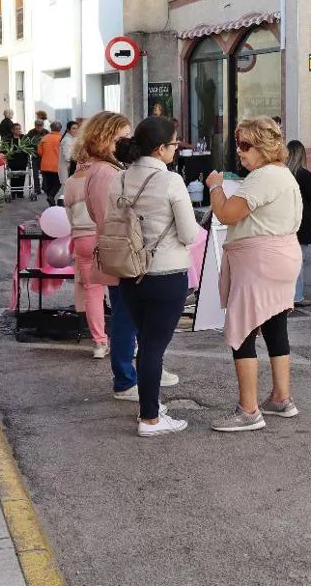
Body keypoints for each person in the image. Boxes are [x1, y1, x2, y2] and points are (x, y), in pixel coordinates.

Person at [206, 118, 303, 433]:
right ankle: (280, 397)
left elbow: (226, 214)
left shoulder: (262, 177)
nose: (240, 152)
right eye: (239, 145)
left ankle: (248, 410)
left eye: (245, 145)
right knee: (275, 324)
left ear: (263, 147)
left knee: (243, 328)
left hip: (258, 261)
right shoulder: (284, 175)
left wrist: (216, 186)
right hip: (282, 256)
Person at [78, 112, 180, 405]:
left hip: (123, 254)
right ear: (105, 137)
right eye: (122, 136)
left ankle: (143, 371)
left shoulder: (108, 170)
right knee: (126, 319)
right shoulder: (106, 173)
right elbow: (114, 219)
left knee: (133, 318)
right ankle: (126, 378)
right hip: (123, 255)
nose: (128, 141)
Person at [110, 117, 202, 437]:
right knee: (153, 347)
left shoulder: (119, 178)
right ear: (161, 148)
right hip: (166, 273)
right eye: (175, 144)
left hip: (129, 272)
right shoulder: (171, 181)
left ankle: (149, 404)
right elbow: (189, 234)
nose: (176, 150)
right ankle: (149, 418)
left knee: (145, 342)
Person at [63, 114, 129, 359]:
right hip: (102, 236)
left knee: (92, 290)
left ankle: (100, 342)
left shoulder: (71, 183)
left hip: (81, 239)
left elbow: (68, 215)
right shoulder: (107, 173)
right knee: (120, 293)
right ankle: (125, 343)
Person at [287, 141, 311, 307]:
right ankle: (297, 296)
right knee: (298, 261)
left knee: (286, 261)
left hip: (285, 221)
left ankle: (286, 295)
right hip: (301, 221)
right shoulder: (304, 175)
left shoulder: (283, 173)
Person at [37, 121, 64, 206]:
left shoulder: (44, 138)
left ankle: (50, 198)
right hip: (57, 165)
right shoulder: (62, 139)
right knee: (58, 182)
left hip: (45, 165)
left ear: (51, 128)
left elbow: (39, 152)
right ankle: (51, 196)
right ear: (60, 129)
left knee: (48, 183)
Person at [6, 123, 30, 199]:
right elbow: (4, 149)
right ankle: (13, 192)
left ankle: (20, 192)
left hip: (22, 160)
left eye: (19, 129)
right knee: (13, 177)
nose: (18, 130)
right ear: (12, 130)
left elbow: (28, 148)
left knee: (22, 176)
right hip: (12, 161)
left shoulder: (24, 138)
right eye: (16, 129)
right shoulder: (9, 139)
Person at [27, 117, 47, 196]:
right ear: (35, 125)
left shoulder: (46, 132)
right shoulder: (31, 132)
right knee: (35, 174)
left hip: (44, 156)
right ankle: (37, 189)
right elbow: (27, 143)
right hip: (35, 156)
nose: (39, 127)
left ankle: (45, 188)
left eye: (40, 125)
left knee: (45, 173)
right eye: (37, 125)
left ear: (43, 125)